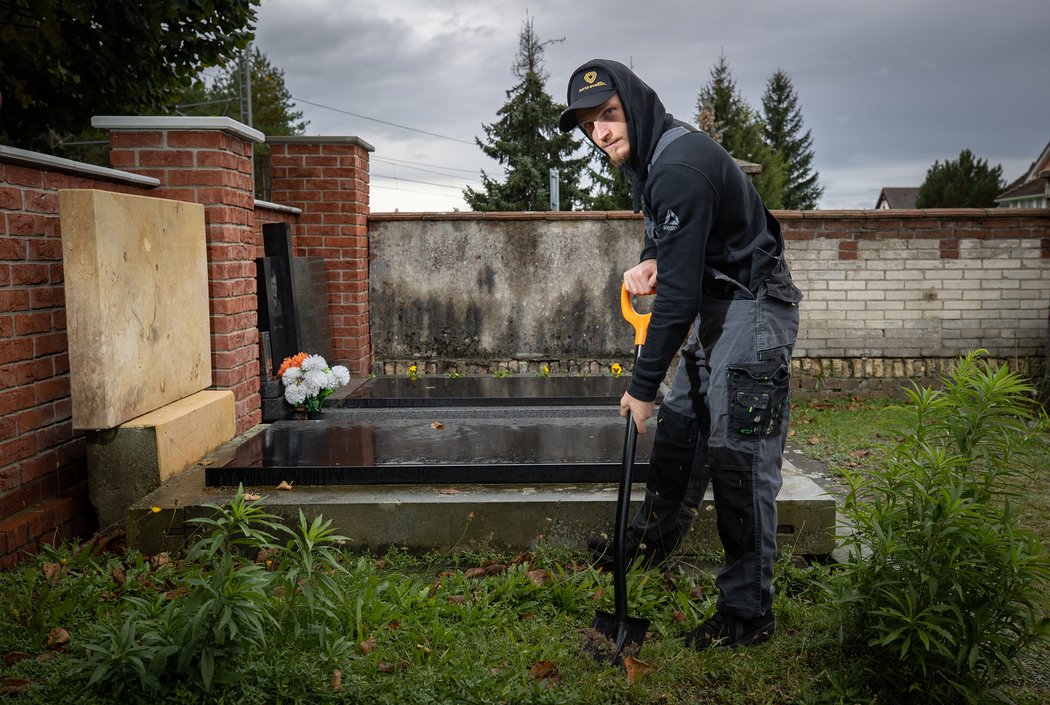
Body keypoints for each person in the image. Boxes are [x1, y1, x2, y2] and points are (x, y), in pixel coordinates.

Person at [559, 59, 803, 649]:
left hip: (754, 302)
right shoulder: (652, 160)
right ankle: (652, 542)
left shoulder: (679, 167)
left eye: (609, 116)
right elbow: (671, 241)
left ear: (635, 106)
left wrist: (640, 388)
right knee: (682, 427)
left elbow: (677, 300)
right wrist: (650, 255)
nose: (602, 133)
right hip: (718, 303)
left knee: (738, 453)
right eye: (591, 125)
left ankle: (748, 614)